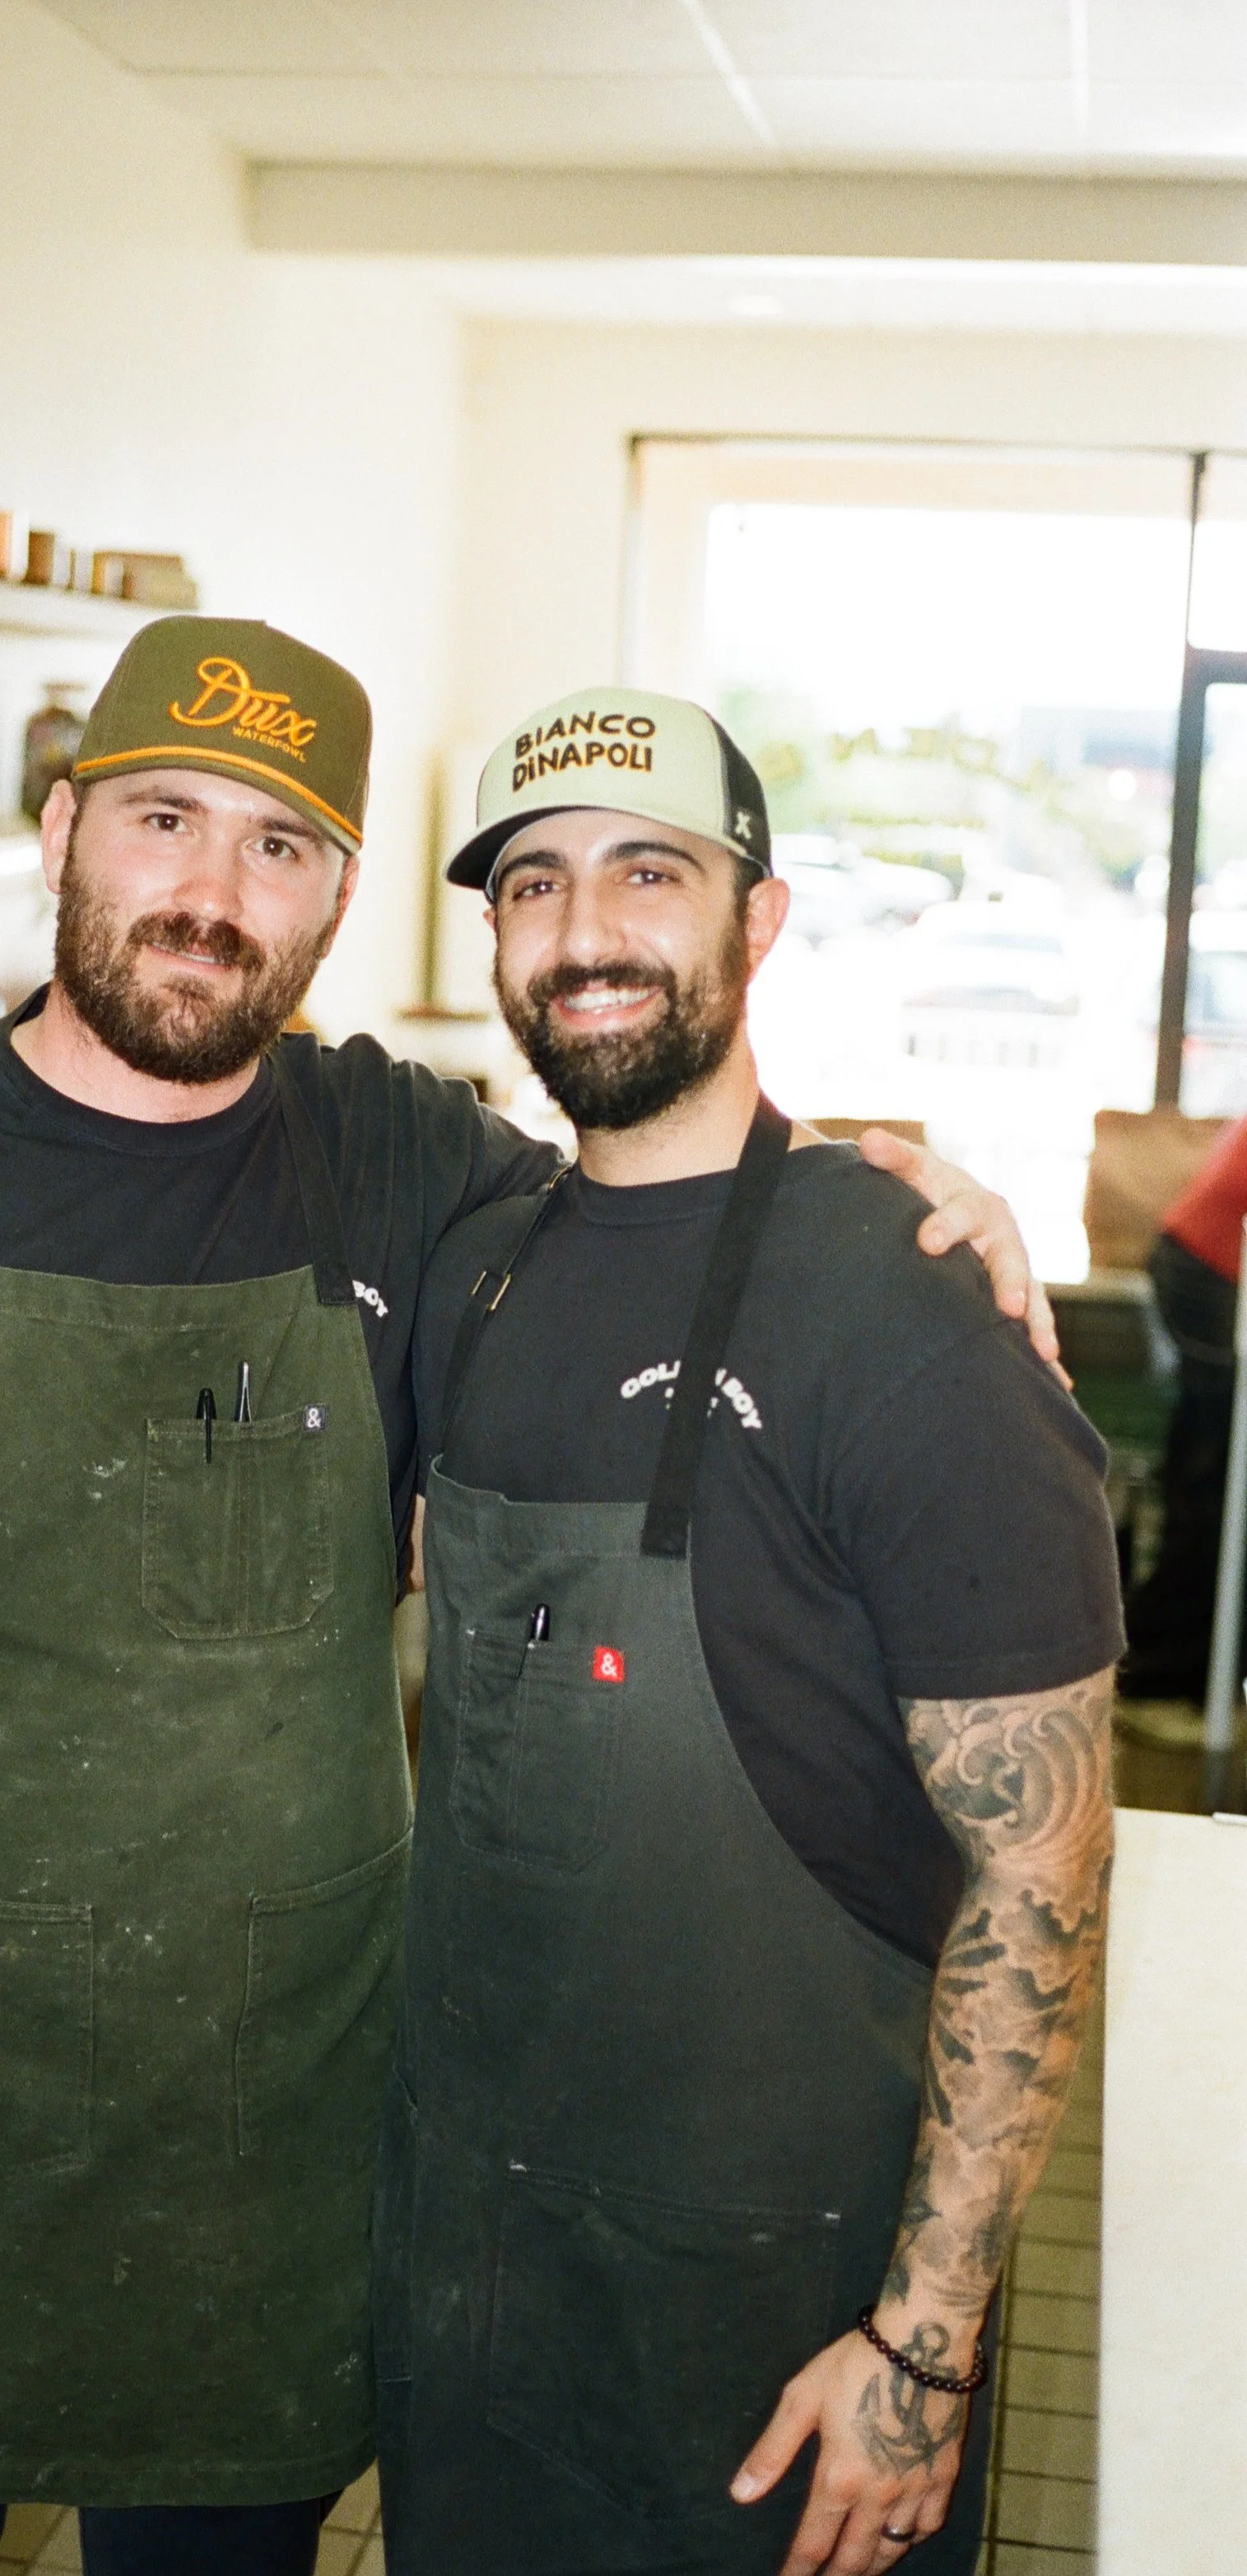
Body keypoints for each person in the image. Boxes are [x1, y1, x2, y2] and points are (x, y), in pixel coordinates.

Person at [0, 619, 1047, 2576]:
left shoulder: (410, 1168)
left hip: (266, 2176)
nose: (209, 893)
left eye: (277, 848)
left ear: (338, 895)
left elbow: (669, 1177)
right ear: (63, 828)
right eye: (165, 821)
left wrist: (904, 1186)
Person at [377, 690, 1123, 2576]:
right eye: (533, 883)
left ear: (757, 920)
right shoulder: (475, 1266)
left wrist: (922, 2348)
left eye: (650, 871)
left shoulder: (902, 1299)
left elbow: (1039, 1869)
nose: (587, 930)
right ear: (493, 937)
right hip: (483, 2301)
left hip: (790, 2325)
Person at [1119, 1114, 1247, 1702]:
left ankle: (1171, 1655)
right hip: (1208, 1272)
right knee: (1217, 1479)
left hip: (1209, 1268)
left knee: (1210, 1468)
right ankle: (1171, 1663)